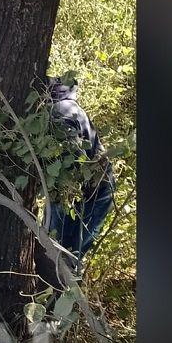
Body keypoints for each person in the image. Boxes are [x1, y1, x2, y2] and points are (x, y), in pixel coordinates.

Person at [38, 77, 114, 284]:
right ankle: (56, 287)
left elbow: (69, 163)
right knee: (59, 242)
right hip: (81, 186)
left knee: (64, 247)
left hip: (92, 189)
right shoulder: (62, 107)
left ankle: (60, 293)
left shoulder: (62, 110)